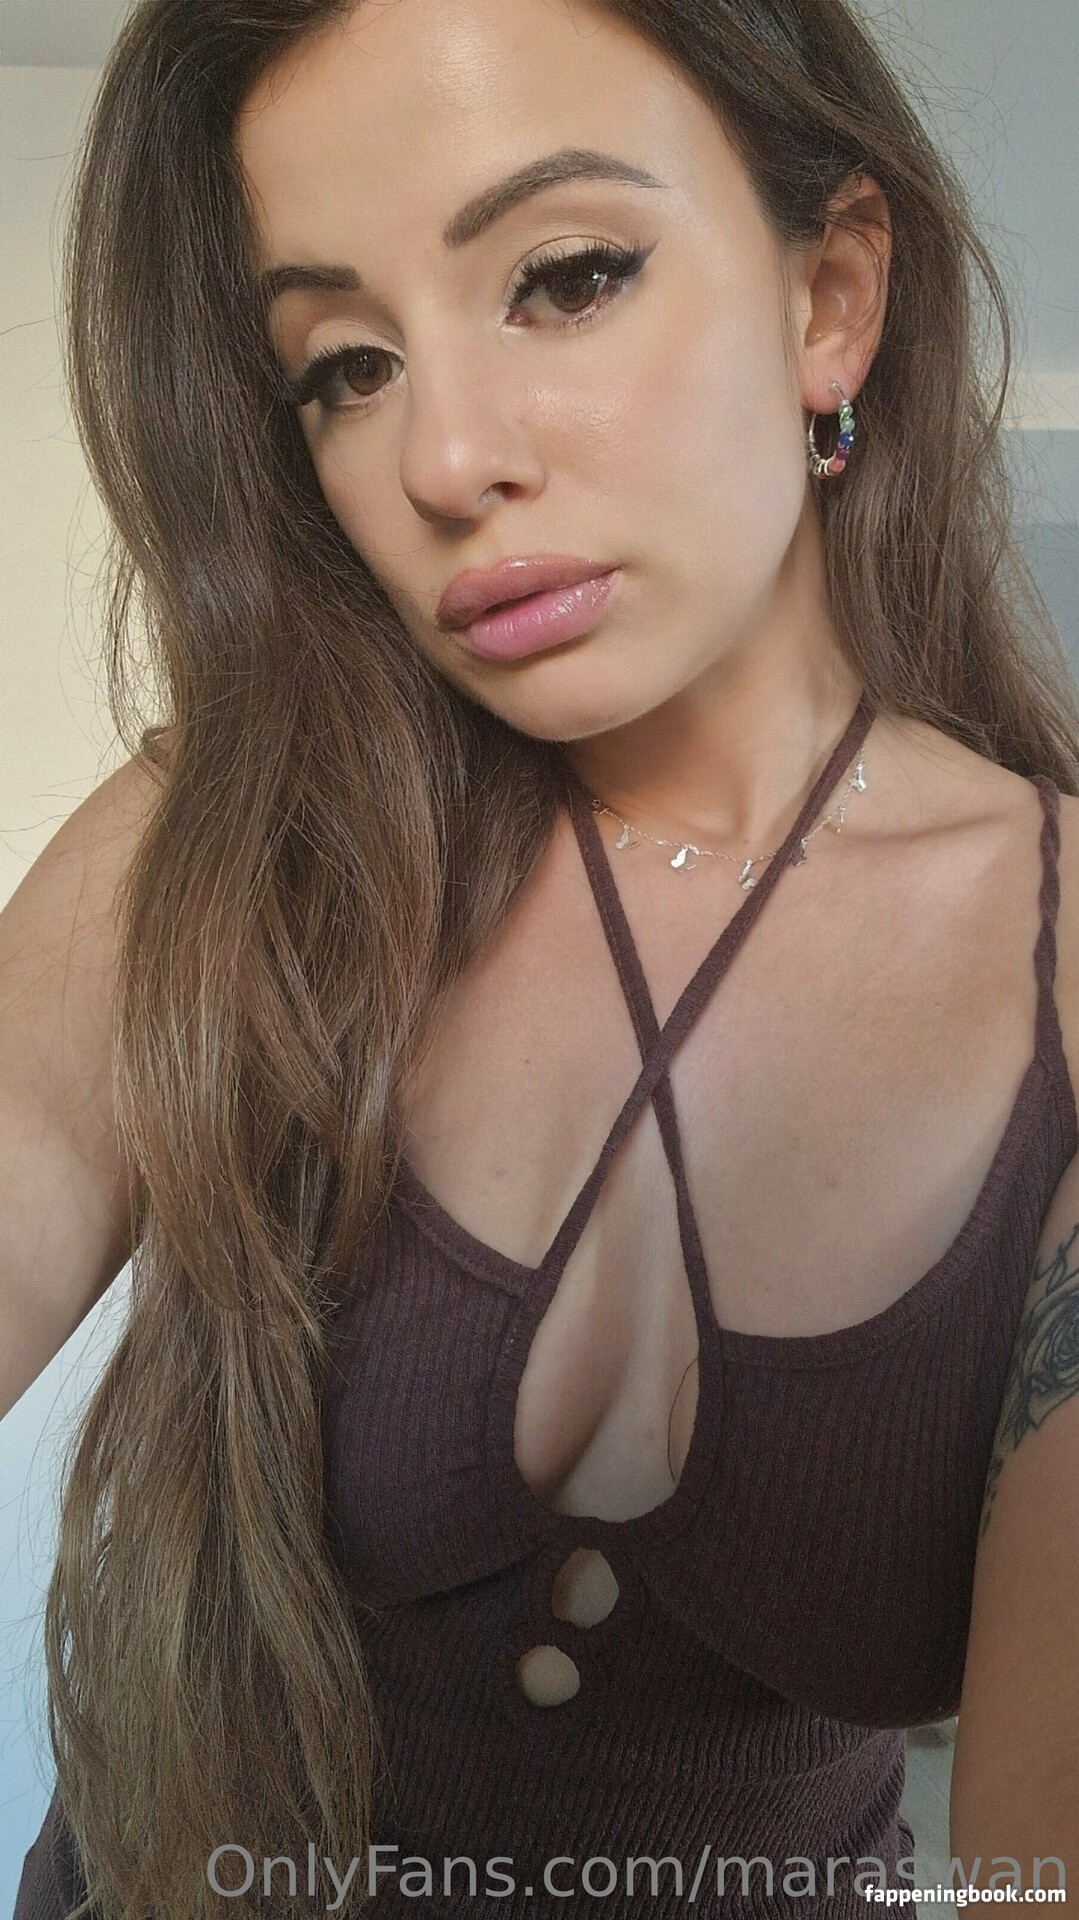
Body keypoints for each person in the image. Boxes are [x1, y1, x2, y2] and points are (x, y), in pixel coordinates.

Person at [6, 0, 1079, 1913]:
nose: (443, 456)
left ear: (830, 298)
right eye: (345, 366)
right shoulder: (223, 848)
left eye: (566, 277)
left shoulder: (1062, 967)